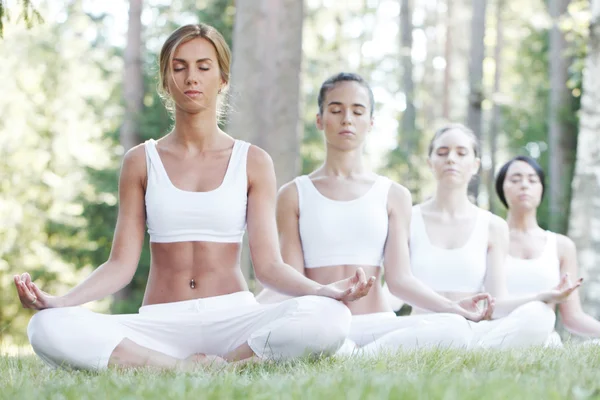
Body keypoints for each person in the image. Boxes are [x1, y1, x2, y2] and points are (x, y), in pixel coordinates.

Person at [13, 24, 374, 371]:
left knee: (330, 316)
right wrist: (59, 302)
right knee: (46, 327)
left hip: (234, 321)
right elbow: (120, 266)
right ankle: (175, 368)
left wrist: (323, 290)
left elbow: (269, 268)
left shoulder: (253, 161)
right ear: (166, 81)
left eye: (204, 67)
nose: (192, 78)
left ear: (223, 79)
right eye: (179, 67)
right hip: (160, 323)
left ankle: (230, 365)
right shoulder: (141, 161)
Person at [257, 73, 495, 356]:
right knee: (305, 333)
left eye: (357, 111)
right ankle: (348, 352)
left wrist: (453, 308)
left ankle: (351, 356)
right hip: (320, 323)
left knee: (454, 329)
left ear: (370, 122)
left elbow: (400, 280)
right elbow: (293, 280)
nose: (347, 119)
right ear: (320, 120)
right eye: (336, 110)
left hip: (377, 324)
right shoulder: (294, 193)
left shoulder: (394, 195)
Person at [407, 124, 581, 349]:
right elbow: (395, 285)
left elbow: (497, 302)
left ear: (475, 165)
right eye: (442, 152)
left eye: (461, 153)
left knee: (541, 315)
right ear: (430, 162)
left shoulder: (492, 226)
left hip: (470, 330)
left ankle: (475, 351)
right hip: (418, 329)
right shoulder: (407, 217)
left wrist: (542, 297)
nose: (451, 159)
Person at [496, 155, 598, 345]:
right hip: (497, 336)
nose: (524, 185)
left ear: (541, 188)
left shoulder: (561, 245)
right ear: (502, 187)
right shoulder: (491, 239)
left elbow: (573, 317)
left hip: (544, 340)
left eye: (532, 180)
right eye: (515, 179)